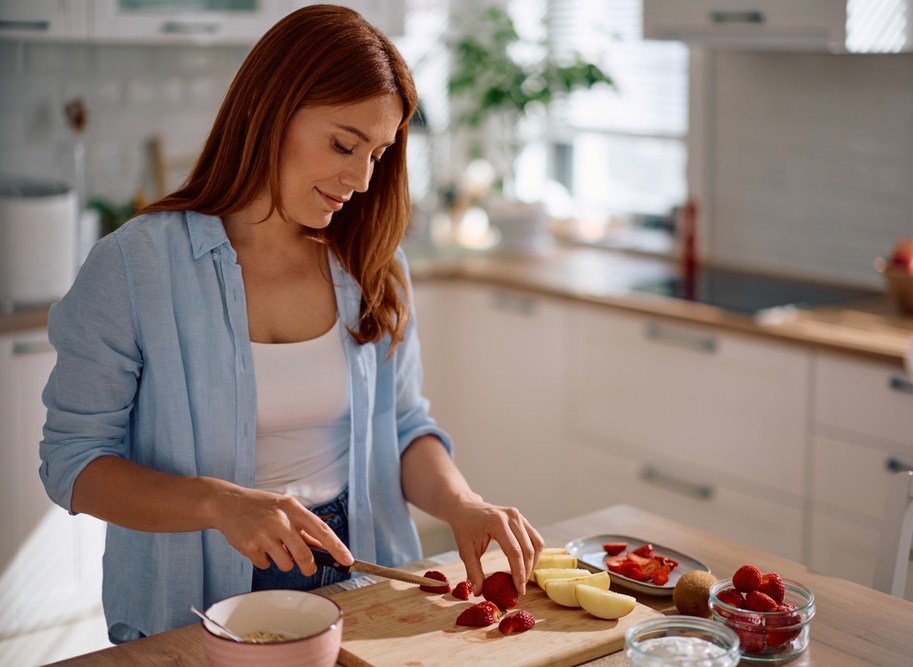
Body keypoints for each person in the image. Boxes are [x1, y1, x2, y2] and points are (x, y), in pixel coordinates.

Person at [38, 5, 542, 643]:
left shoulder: (372, 264)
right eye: (344, 145)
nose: (362, 179)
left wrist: (462, 504)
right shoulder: (135, 266)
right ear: (272, 111)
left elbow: (404, 428)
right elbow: (74, 462)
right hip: (198, 596)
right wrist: (220, 504)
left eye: (378, 154)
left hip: (361, 575)